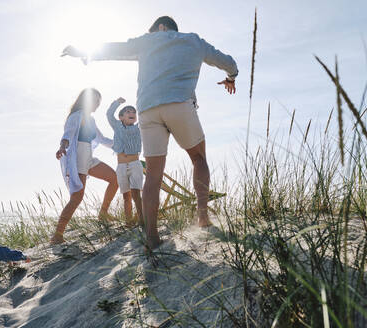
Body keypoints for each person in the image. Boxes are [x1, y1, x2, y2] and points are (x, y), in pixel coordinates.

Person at [62, 16, 238, 249]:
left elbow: (117, 49)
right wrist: (231, 77)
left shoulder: (147, 42)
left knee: (153, 175)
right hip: (180, 105)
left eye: (151, 30)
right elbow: (227, 62)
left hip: (148, 111)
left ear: (162, 27)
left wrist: (84, 52)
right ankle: (203, 216)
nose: (149, 33)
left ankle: (152, 236)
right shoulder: (194, 41)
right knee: (198, 158)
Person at [51, 88, 118, 244]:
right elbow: (67, 134)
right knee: (77, 197)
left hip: (88, 157)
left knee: (114, 179)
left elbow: (102, 139)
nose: (97, 104)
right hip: (79, 157)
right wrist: (62, 146)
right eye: (95, 101)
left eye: (98, 102)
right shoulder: (76, 116)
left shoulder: (91, 119)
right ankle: (57, 235)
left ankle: (103, 213)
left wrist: (122, 145)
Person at [106, 97, 143, 227]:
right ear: (121, 117)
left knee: (136, 193)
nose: (132, 113)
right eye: (128, 111)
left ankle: (142, 219)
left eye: (134, 112)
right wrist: (117, 103)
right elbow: (109, 114)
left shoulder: (139, 127)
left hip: (135, 165)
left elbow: (147, 116)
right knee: (126, 196)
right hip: (121, 166)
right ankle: (129, 222)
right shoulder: (117, 126)